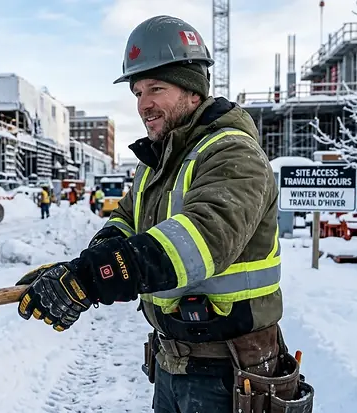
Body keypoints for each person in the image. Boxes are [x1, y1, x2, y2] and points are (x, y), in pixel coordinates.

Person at [15, 15, 299, 413]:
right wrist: (81, 269)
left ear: (193, 90)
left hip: (231, 371)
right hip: (174, 363)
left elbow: (199, 241)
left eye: (156, 88)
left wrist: (91, 278)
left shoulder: (233, 153)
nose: (143, 104)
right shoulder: (156, 162)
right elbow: (125, 222)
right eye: (138, 92)